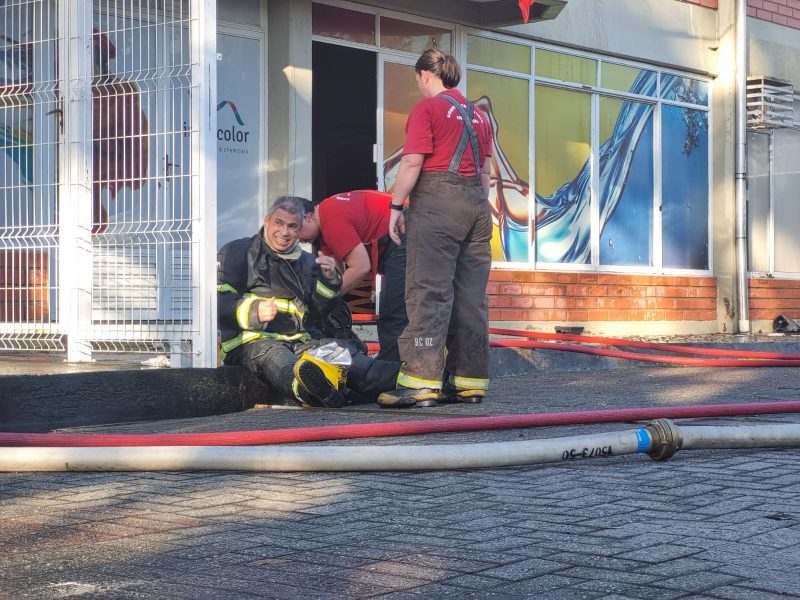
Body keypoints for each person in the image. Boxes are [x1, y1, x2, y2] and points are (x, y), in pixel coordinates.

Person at [377, 49, 494, 409]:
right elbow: (486, 173)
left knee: (428, 291)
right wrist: (474, 205)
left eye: (417, 78)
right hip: (477, 208)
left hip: (438, 207)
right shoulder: (480, 116)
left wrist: (396, 206)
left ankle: (421, 381)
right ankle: (469, 382)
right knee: (471, 296)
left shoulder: (426, 109)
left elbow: (412, 163)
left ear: (425, 75)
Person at [217, 196, 399, 407]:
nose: (285, 232)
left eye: (292, 226)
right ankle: (310, 391)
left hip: (302, 343)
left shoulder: (309, 262)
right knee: (278, 359)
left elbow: (319, 313)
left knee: (354, 363)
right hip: (253, 343)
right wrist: (254, 312)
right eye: (279, 223)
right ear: (267, 220)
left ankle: (414, 381)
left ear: (299, 230)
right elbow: (219, 304)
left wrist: (330, 281)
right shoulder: (237, 252)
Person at [299, 190, 407, 362]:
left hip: (405, 227)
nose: (296, 238)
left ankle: (391, 370)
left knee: (394, 312)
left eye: (294, 227)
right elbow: (339, 278)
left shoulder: (331, 220)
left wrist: (323, 301)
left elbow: (360, 267)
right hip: (401, 229)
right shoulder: (324, 228)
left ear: (307, 217)